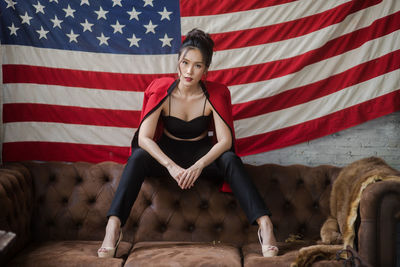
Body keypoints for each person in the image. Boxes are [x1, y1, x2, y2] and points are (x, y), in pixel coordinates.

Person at [98, 28, 278, 258]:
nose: (189, 71)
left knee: (230, 158)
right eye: (185, 62)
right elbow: (143, 138)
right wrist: (171, 166)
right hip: (167, 155)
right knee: (138, 157)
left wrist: (199, 165)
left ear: (206, 69)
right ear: (178, 62)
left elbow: (225, 141)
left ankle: (265, 225)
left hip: (201, 156)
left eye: (197, 65)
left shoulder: (214, 95)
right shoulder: (162, 91)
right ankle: (113, 227)